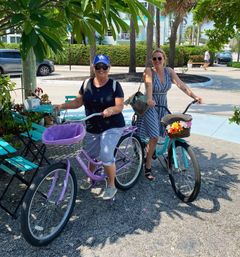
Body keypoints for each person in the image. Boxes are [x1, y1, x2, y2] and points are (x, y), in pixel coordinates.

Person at [55, 54, 125, 200]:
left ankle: (112, 185)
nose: (101, 69)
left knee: (105, 154)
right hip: (93, 125)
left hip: (112, 125)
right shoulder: (86, 83)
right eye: (98, 66)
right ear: (94, 68)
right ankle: (90, 178)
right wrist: (62, 106)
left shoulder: (114, 85)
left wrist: (110, 110)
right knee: (91, 154)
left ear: (109, 68)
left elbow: (119, 106)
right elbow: (78, 102)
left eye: (104, 66)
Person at [136, 48, 203, 181]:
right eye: (154, 59)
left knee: (169, 131)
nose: (157, 61)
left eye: (159, 58)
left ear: (164, 60)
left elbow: (181, 85)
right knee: (154, 136)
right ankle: (147, 165)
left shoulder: (169, 71)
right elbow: (149, 86)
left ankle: (163, 154)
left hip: (162, 104)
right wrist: (149, 99)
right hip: (150, 105)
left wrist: (195, 96)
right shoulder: (149, 71)